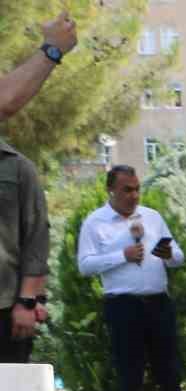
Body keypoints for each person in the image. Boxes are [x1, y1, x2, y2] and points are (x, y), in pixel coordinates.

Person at [75, 166, 186, 391]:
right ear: (110, 190)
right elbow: (85, 265)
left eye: (137, 188)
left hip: (158, 302)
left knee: (169, 372)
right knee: (131, 374)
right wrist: (122, 255)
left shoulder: (152, 218)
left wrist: (157, 248)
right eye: (127, 189)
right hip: (122, 305)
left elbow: (177, 256)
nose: (134, 195)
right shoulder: (96, 223)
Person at [0, 14, 76, 365]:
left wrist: (29, 301)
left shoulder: (16, 167)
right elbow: (5, 100)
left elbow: (35, 239)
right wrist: (52, 49)